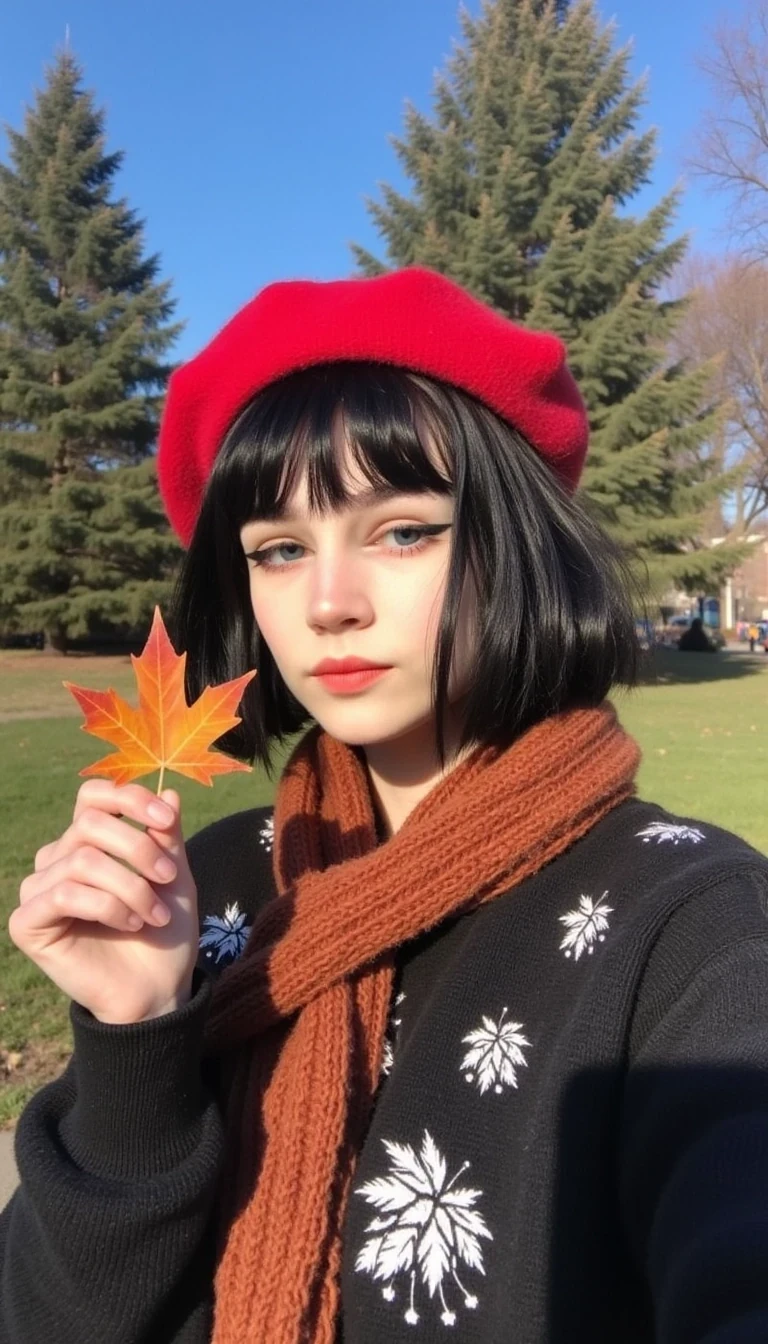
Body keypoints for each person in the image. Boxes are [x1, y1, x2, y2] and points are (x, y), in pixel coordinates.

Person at [3, 267, 768, 1344]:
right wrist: (136, 1042)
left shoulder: (694, 921)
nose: (328, 604)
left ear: (515, 541)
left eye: (403, 531)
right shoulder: (204, 889)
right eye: (278, 550)